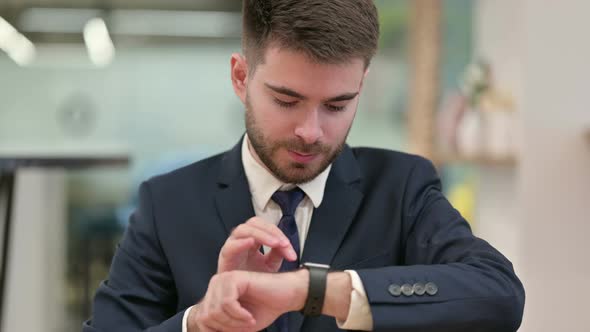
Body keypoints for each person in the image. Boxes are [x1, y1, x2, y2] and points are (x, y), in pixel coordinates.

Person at [83, 0, 525, 331]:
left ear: (361, 86)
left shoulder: (402, 187)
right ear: (241, 77)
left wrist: (310, 290)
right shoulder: (168, 203)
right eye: (286, 101)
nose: (311, 131)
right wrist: (199, 322)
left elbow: (498, 294)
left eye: (337, 104)